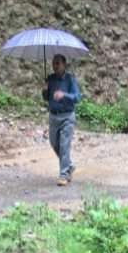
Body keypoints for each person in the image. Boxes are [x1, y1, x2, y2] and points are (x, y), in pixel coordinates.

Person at [42, 54, 81, 186]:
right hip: (53, 116)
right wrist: (45, 90)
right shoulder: (50, 79)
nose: (55, 66)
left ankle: (63, 175)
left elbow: (77, 97)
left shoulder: (70, 80)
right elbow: (46, 98)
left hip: (67, 116)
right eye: (54, 63)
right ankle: (69, 165)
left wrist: (64, 95)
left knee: (64, 146)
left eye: (58, 63)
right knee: (54, 143)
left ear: (64, 65)